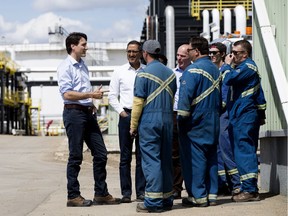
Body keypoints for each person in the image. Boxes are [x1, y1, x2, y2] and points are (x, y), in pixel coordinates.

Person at [57, 32, 120, 207]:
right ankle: (73, 196)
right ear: (73, 46)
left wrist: (90, 102)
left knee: (100, 153)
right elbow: (67, 93)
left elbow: (80, 90)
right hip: (73, 114)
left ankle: (101, 193)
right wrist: (91, 94)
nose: (87, 47)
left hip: (86, 112)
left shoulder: (83, 65)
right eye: (83, 44)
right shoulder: (65, 67)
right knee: (76, 156)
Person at [130, 39, 177, 213]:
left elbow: (137, 103)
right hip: (167, 120)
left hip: (150, 121)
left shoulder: (143, 74)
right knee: (165, 159)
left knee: (151, 161)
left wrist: (133, 125)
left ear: (145, 53)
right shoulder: (171, 74)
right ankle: (166, 198)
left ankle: (153, 202)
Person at [177, 36, 221, 207]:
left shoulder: (192, 70)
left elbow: (185, 98)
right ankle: (212, 195)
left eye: (189, 50)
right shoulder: (216, 69)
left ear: (196, 51)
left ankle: (198, 196)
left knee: (195, 158)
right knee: (211, 157)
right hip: (214, 119)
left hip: (196, 122)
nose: (188, 53)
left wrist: (181, 120)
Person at [221, 39, 266, 202]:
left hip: (244, 115)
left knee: (244, 151)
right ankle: (248, 187)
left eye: (235, 53)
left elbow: (228, 79)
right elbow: (260, 95)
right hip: (241, 115)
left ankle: (250, 190)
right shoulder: (243, 68)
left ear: (244, 54)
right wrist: (262, 113)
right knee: (241, 151)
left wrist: (226, 66)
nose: (232, 56)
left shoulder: (248, 67)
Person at [108, 40, 146, 203]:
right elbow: (111, 95)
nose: (131, 54)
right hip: (126, 116)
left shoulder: (146, 71)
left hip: (143, 116)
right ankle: (126, 193)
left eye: (134, 51)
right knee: (125, 157)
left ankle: (141, 191)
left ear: (141, 53)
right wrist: (122, 113)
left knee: (142, 156)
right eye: (128, 51)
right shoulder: (119, 71)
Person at [209, 42, 241, 196]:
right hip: (215, 116)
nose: (212, 55)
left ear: (222, 54)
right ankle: (222, 185)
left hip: (223, 114)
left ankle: (236, 184)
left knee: (226, 150)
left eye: (215, 53)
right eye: (210, 53)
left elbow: (225, 94)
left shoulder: (225, 71)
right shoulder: (214, 71)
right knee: (217, 151)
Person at [172, 44, 192, 199]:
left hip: (191, 116)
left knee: (192, 152)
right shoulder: (172, 74)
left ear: (190, 56)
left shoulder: (194, 73)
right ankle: (176, 188)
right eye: (178, 55)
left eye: (182, 56)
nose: (179, 58)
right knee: (175, 154)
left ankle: (193, 188)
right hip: (175, 115)